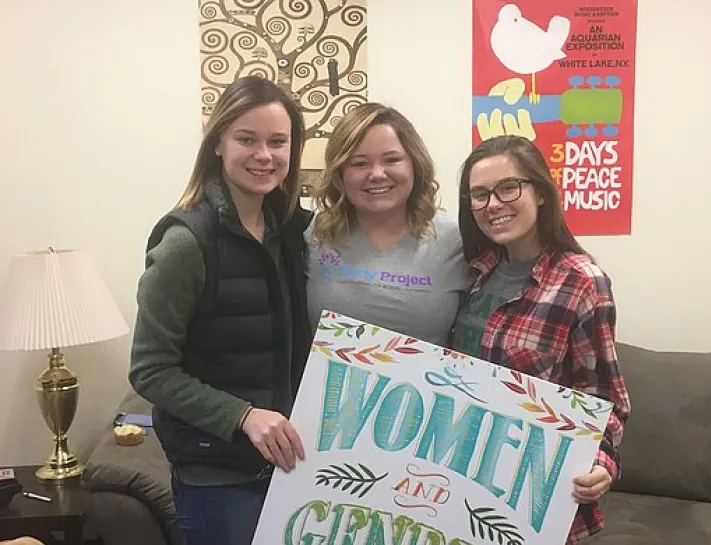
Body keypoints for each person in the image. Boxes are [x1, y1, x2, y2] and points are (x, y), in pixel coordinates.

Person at [128, 76, 312, 545]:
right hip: (217, 480)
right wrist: (244, 415)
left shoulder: (288, 230)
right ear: (218, 144)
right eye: (246, 139)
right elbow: (150, 370)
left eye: (278, 141)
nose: (264, 155)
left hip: (286, 468)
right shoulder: (186, 244)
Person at [451, 135, 631, 544]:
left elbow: (604, 395)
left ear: (541, 193)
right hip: (459, 478)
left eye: (508, 187)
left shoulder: (582, 281)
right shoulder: (472, 273)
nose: (493, 204)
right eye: (479, 195)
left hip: (529, 494)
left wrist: (602, 463)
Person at [306, 102, 472, 345]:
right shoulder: (313, 234)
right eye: (359, 163)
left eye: (391, 159)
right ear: (339, 173)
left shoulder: (457, 240)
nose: (377, 174)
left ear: (415, 164)